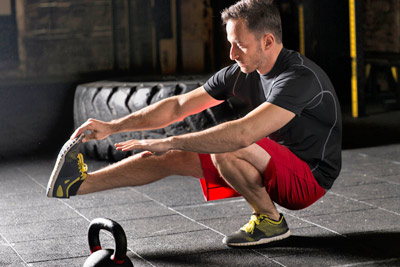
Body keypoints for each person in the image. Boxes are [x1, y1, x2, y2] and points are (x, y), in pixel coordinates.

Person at [46, 0, 342, 247]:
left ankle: (270, 221)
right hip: (269, 160)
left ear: (267, 41)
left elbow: (242, 134)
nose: (232, 54)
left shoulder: (299, 78)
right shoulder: (240, 72)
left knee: (223, 146)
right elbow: (178, 105)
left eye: (240, 45)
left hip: (309, 178)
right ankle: (76, 185)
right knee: (170, 158)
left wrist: (170, 140)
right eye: (230, 44)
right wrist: (113, 126)